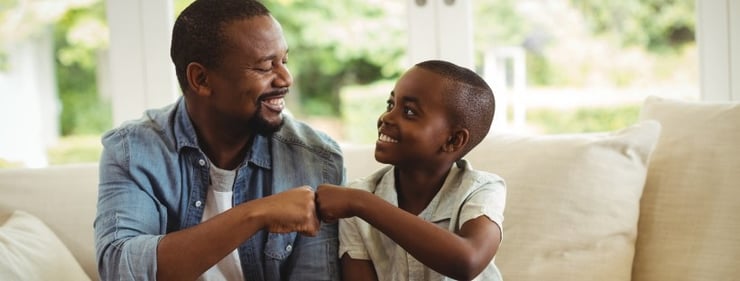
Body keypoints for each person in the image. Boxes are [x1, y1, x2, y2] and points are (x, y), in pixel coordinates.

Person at [93, 0, 344, 280]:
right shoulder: (133, 150)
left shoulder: (315, 158)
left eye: (284, 61)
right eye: (264, 67)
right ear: (201, 79)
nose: (286, 78)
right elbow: (120, 268)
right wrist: (256, 214)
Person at [316, 60, 506, 281]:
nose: (386, 117)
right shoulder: (359, 195)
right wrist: (357, 202)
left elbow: (468, 261)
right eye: (390, 105)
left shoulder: (481, 190)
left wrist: (361, 204)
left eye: (409, 111)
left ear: (453, 140)